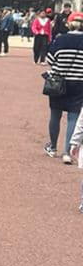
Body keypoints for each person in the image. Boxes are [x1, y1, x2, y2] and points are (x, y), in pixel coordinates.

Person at [43, 12, 83, 163]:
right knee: (73, 117)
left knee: (55, 115)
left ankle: (53, 147)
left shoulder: (60, 39)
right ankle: (67, 152)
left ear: (69, 23)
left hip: (58, 81)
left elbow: (50, 60)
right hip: (79, 82)